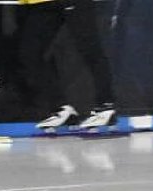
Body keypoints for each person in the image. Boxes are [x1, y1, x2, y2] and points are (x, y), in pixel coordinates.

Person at [17, 0, 117, 130]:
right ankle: (62, 110)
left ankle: (106, 106)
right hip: (40, 3)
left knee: (89, 48)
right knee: (30, 53)